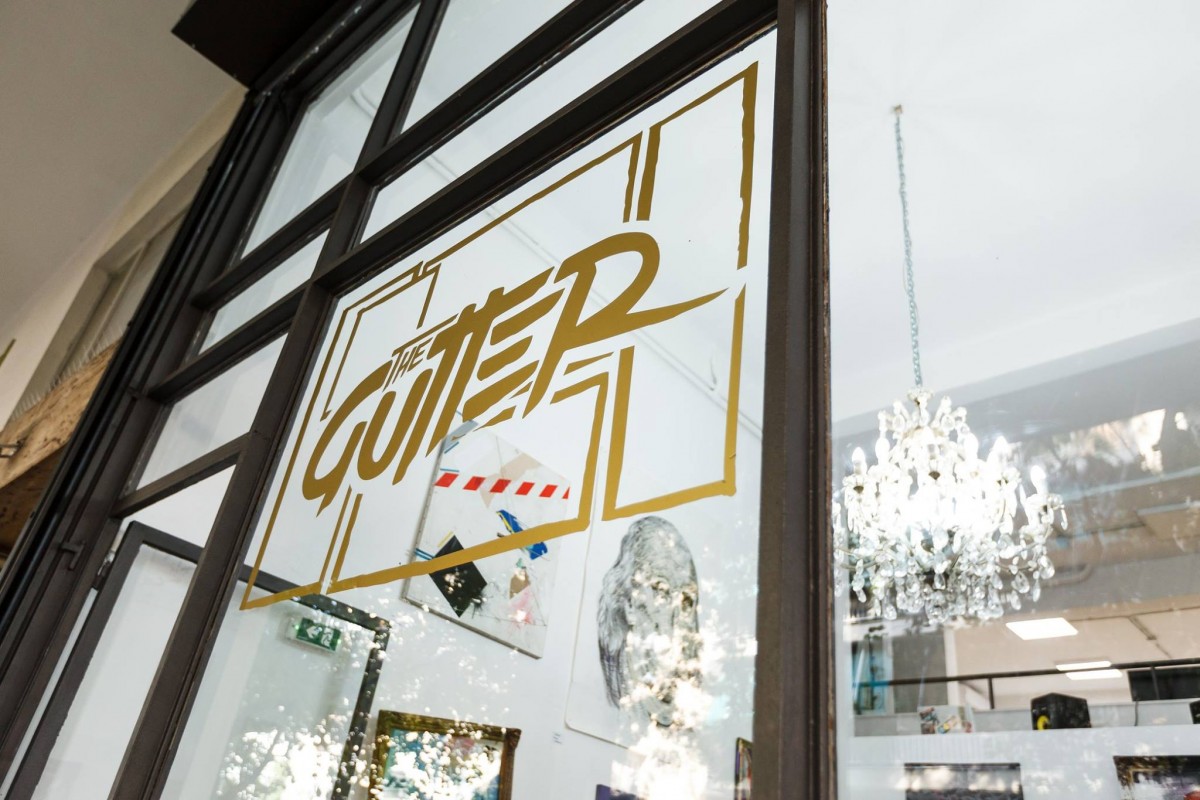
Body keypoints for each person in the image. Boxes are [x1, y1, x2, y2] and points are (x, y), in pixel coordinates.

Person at [597, 515, 702, 729]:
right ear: (629, 601)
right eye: (661, 592)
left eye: (686, 601)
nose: (676, 620)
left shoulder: (685, 711)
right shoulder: (621, 710)